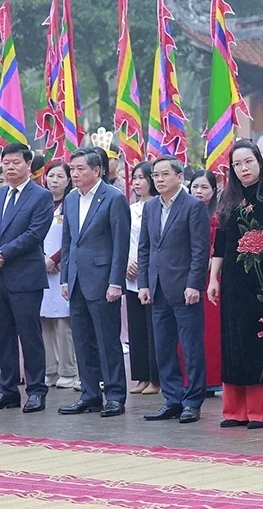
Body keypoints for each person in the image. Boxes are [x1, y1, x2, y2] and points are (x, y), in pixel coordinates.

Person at [207, 140, 263, 429]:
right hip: (232, 281)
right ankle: (235, 410)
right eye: (237, 164)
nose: (243, 169)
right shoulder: (228, 196)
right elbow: (221, 242)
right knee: (234, 341)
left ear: (259, 162)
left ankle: (261, 411)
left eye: (249, 162)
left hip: (260, 281)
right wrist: (214, 278)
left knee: (260, 341)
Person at [58, 147, 130, 417]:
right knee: (82, 340)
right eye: (72, 169)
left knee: (107, 341)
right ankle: (89, 394)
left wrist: (115, 282)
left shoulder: (113, 199)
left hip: (102, 282)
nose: (74, 174)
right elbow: (68, 242)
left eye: (80, 169)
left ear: (97, 170)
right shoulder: (71, 199)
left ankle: (114, 395)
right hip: (76, 280)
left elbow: (120, 245)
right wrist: (65, 278)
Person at [138, 155, 210, 424]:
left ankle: (193, 400)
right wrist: (143, 283)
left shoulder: (193, 206)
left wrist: (194, 284)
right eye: (155, 175)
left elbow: (200, 250)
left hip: (184, 289)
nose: (159, 180)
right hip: (156, 288)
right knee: (163, 348)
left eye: (164, 174)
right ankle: (172, 398)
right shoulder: (151, 208)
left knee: (191, 348)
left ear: (180, 177)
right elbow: (145, 248)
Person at [0, 143, 55, 413]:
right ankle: (8, 390)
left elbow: (35, 234)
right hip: (0, 276)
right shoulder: (0, 194)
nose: (10, 167)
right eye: (6, 163)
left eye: (15, 163)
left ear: (28, 165)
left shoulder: (40, 196)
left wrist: (4, 253)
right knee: (3, 336)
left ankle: (36, 390)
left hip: (25, 276)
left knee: (29, 335)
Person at [40, 161, 77, 390]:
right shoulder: (40, 203)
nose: (55, 180)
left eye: (60, 176)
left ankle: (68, 370)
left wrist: (55, 258)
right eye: (51, 176)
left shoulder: (71, 204)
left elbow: (72, 237)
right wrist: (43, 258)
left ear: (68, 180)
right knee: (44, 321)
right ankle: (49, 369)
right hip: (40, 267)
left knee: (64, 322)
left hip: (62, 268)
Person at [125, 163, 160, 396]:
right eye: (134, 178)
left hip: (153, 274)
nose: (137, 182)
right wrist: (128, 262)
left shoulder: (157, 206)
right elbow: (123, 238)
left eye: (142, 178)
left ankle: (156, 378)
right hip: (131, 274)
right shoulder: (129, 209)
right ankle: (141, 376)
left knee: (153, 327)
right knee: (136, 327)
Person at [189, 171, 222, 393]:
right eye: (195, 187)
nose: (199, 192)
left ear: (213, 190)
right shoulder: (186, 210)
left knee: (211, 330)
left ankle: (214, 379)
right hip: (190, 274)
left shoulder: (219, 214)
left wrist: (211, 261)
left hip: (213, 276)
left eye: (204, 188)